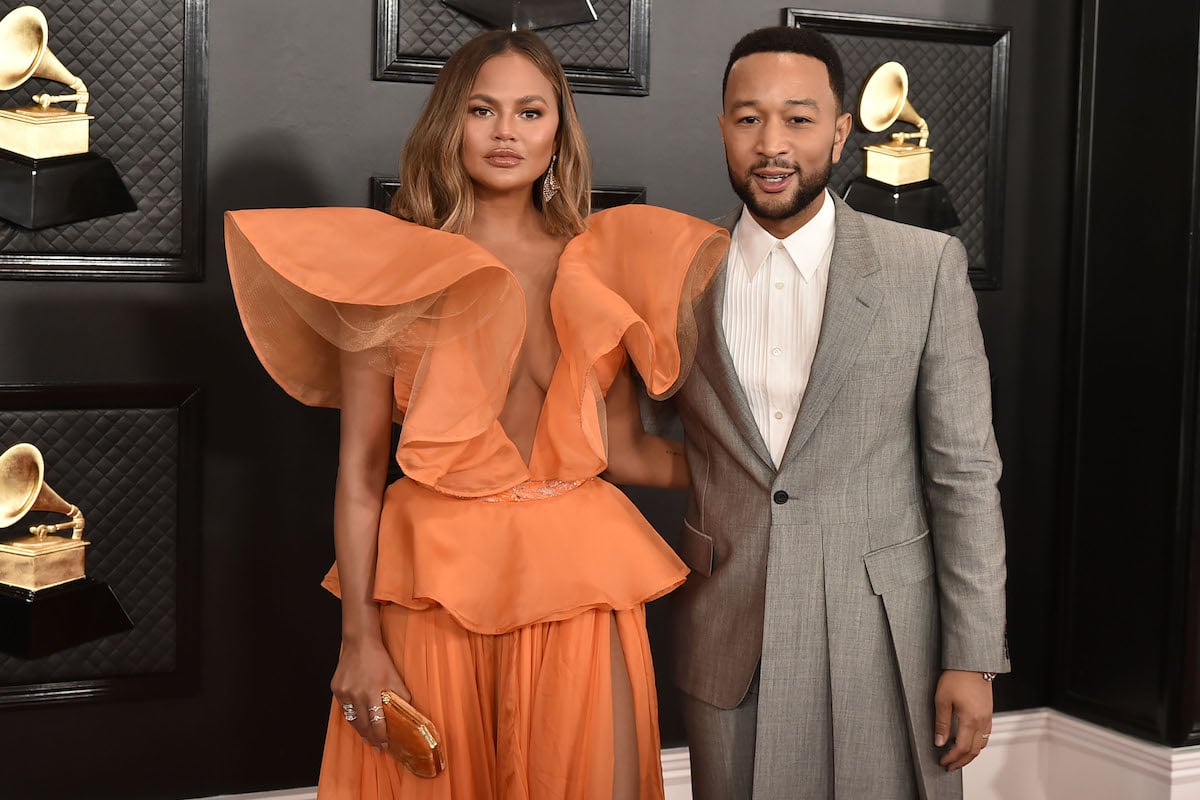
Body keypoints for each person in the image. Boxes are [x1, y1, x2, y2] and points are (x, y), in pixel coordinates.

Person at [223, 30, 728, 800]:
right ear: (449, 123)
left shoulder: (601, 263)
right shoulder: (392, 270)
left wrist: (753, 475)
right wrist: (358, 639)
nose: (506, 132)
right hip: (436, 593)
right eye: (483, 109)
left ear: (559, 131)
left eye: (531, 112)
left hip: (579, 585)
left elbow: (625, 451)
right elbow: (360, 477)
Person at [666, 25, 1010, 799]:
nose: (772, 143)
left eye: (798, 117)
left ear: (841, 130)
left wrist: (972, 653)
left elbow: (964, 471)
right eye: (749, 118)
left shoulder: (924, 268)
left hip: (889, 638)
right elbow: (643, 441)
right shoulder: (674, 277)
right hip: (729, 630)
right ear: (723, 126)